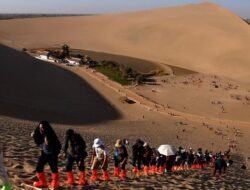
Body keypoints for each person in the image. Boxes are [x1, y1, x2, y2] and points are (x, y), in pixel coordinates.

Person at [31, 121, 61, 189]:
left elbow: (58, 146)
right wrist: (34, 136)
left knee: (54, 169)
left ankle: (55, 183)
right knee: (39, 168)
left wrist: (49, 142)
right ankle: (42, 182)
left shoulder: (50, 135)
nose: (41, 129)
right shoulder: (39, 134)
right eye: (40, 127)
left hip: (52, 155)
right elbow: (38, 142)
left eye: (43, 128)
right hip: (44, 154)